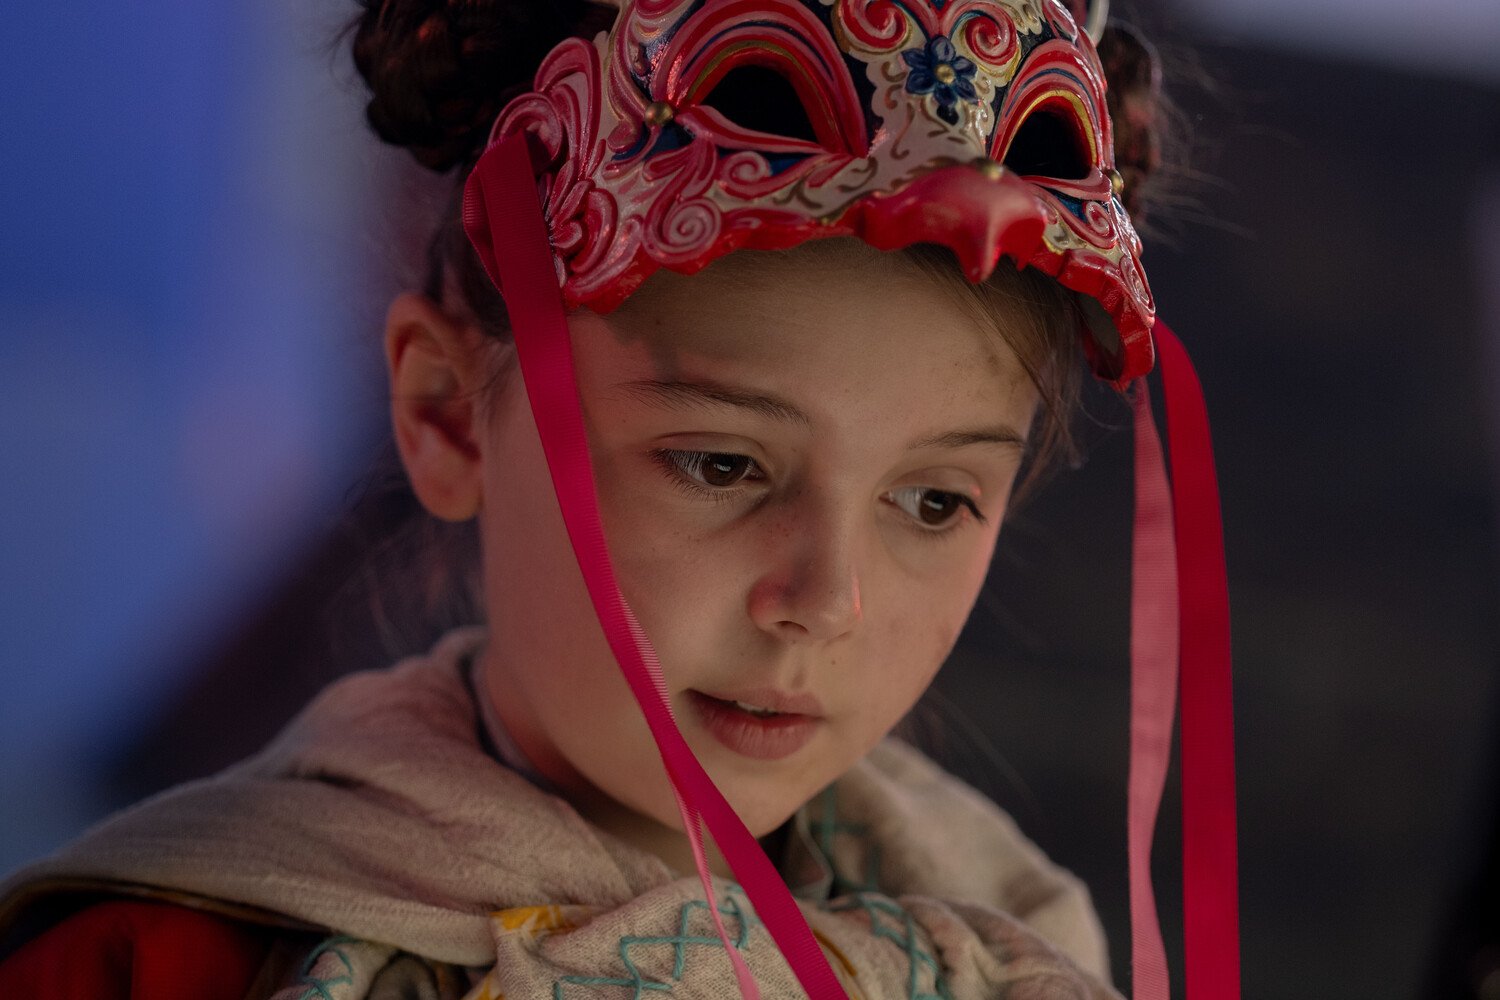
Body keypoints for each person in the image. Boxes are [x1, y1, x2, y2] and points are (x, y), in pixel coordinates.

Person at [0, 0, 1235, 997]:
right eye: (722, 465)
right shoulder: (162, 965)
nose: (826, 600)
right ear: (446, 413)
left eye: (933, 501)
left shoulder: (1013, 944)